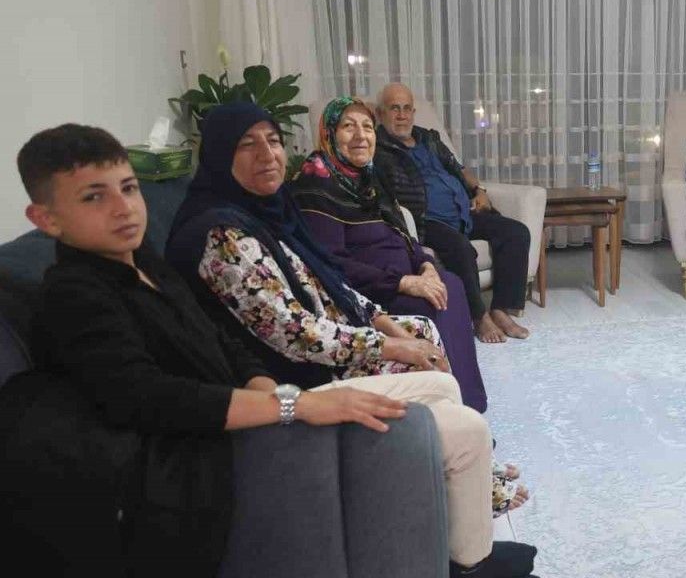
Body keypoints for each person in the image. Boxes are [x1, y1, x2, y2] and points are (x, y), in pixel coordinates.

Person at [16, 123, 443, 577]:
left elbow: (220, 341)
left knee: (428, 404)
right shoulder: (75, 294)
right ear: (46, 219)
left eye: (128, 188)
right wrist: (294, 406)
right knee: (407, 428)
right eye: (93, 197)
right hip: (191, 462)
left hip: (248, 412)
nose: (124, 209)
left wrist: (276, 394)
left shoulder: (144, 263)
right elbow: (146, 397)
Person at [165, 104, 535, 578]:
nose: (267, 155)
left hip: (322, 341)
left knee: (425, 338)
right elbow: (295, 333)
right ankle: (472, 523)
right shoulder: (223, 233)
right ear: (220, 155)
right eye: (247, 144)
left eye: (273, 140)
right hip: (291, 377)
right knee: (444, 393)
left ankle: (471, 482)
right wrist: (389, 343)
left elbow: (326, 281)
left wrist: (383, 321)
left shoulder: (266, 212)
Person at [291, 97, 487, 413]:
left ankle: (469, 407)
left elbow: (402, 234)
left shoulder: (368, 178)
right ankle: (451, 408)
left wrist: (426, 266)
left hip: (401, 277)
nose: (361, 136)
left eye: (367, 127)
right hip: (369, 294)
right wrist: (403, 283)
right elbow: (329, 263)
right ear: (329, 134)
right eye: (348, 126)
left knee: (448, 283)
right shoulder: (317, 183)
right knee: (433, 302)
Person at [373, 83, 531, 343]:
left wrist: (478, 190)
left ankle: (501, 308)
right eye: (394, 109)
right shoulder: (378, 149)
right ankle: (479, 317)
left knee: (516, 232)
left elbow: (459, 168)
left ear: (413, 112)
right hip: (427, 221)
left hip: (462, 213)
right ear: (381, 114)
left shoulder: (429, 139)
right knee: (460, 248)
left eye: (407, 109)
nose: (402, 116)